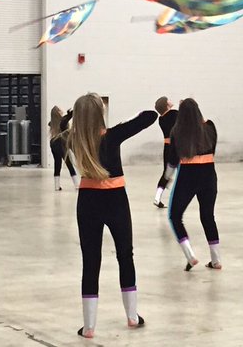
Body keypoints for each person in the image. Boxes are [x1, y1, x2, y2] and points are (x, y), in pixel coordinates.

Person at [68, 94, 157, 339]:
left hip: (87, 201)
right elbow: (150, 116)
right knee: (125, 255)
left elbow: (63, 128)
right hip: (116, 200)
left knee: (91, 261)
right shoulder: (114, 135)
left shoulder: (72, 139)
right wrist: (123, 122)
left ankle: (89, 327)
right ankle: (132, 316)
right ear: (100, 114)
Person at [166, 98, 221, 271]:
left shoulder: (176, 132)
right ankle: (216, 260)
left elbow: (172, 160)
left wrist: (167, 178)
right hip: (209, 175)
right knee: (208, 216)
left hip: (188, 177)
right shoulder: (210, 127)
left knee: (175, 216)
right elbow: (213, 149)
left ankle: (190, 256)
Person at [152, 97, 178, 208]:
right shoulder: (174, 114)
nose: (170, 101)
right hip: (177, 147)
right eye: (168, 100)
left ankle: (157, 198)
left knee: (166, 173)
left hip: (167, 147)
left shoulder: (161, 119)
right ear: (166, 104)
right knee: (182, 172)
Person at [49, 106, 78, 191]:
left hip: (53, 143)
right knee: (69, 163)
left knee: (57, 164)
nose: (62, 110)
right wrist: (71, 113)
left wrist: (68, 115)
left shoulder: (53, 123)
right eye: (60, 109)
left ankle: (56, 186)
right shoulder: (62, 121)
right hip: (61, 143)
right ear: (58, 112)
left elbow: (64, 119)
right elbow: (65, 119)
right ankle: (76, 184)